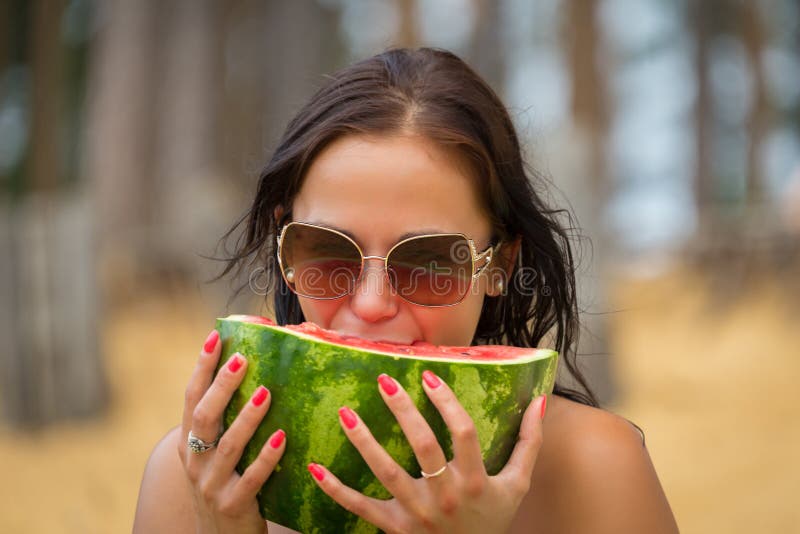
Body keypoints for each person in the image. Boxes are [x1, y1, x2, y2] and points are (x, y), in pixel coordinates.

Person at [133, 47, 679, 533]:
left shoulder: (594, 470)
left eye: (428, 261)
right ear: (285, 248)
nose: (370, 305)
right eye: (327, 250)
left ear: (500, 264)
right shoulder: (189, 482)